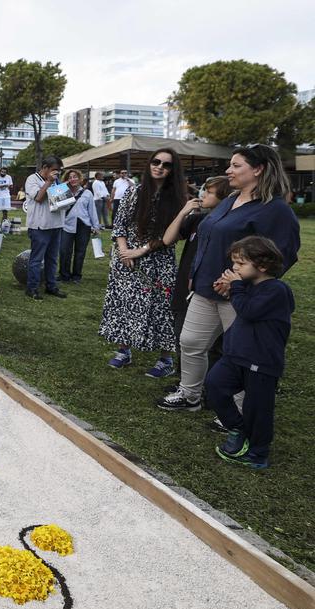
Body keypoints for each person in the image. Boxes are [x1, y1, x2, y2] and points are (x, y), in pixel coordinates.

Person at [158, 144, 300, 412]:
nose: (228, 170)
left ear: (258, 169)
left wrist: (240, 280)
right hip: (203, 289)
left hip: (239, 296)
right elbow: (206, 238)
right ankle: (190, 395)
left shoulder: (275, 209)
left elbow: (284, 254)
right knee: (190, 342)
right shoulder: (229, 200)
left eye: (236, 166)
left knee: (240, 355)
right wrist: (195, 272)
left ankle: (236, 411)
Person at [205, 237, 292, 470]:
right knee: (214, 385)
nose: (235, 268)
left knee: (258, 410)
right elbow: (243, 305)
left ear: (262, 266)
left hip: (261, 362)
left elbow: (250, 311)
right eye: (234, 263)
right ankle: (237, 428)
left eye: (241, 264)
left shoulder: (277, 290)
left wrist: (236, 288)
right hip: (236, 356)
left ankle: (257, 453)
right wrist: (232, 289)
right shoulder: (250, 287)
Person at [99, 149, 185, 376]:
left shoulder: (177, 199)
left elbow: (174, 235)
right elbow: (119, 225)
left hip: (159, 259)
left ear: (172, 170)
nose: (159, 167)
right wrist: (125, 250)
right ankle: (123, 350)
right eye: (156, 162)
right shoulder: (134, 192)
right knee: (124, 303)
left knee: (161, 307)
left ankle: (166, 359)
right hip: (126, 258)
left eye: (166, 165)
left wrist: (141, 251)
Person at [163, 176, 233, 338]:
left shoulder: (229, 225)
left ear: (224, 198)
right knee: (182, 336)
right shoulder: (197, 219)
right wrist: (182, 213)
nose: (203, 195)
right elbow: (167, 239)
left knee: (214, 344)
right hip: (185, 286)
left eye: (209, 192)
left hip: (211, 288)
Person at [23, 156, 67, 300]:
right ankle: (32, 287)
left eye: (59, 171)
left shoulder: (57, 181)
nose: (57, 173)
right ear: (45, 168)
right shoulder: (32, 179)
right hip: (39, 226)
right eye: (54, 170)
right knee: (37, 259)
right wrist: (49, 182)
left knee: (53, 259)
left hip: (56, 224)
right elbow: (38, 198)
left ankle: (51, 286)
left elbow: (62, 202)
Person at [58, 169, 100, 284]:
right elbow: (55, 203)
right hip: (67, 224)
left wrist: (95, 226)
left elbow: (92, 210)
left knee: (80, 252)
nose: (73, 179)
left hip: (83, 225)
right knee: (64, 251)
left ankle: (76, 276)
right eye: (70, 177)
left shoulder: (87, 193)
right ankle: (64, 275)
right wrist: (62, 186)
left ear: (80, 178)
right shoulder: (63, 192)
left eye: (75, 177)